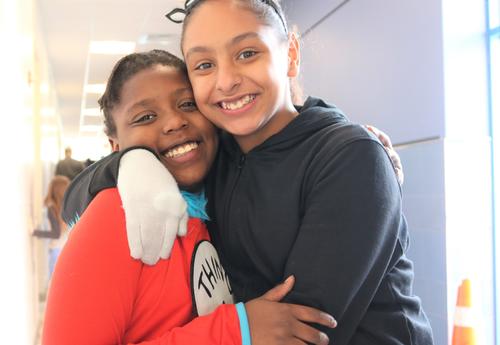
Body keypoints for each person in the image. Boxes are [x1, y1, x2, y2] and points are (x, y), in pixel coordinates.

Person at [63, 0, 433, 344]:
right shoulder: (216, 154)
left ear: (290, 53)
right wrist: (132, 164)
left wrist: (236, 328)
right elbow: (73, 202)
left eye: (247, 53)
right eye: (204, 65)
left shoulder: (346, 159)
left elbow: (301, 331)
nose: (226, 81)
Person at [43, 49, 337, 345]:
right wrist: (236, 331)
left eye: (188, 104)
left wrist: (342, 134)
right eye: (145, 117)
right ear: (114, 144)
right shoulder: (116, 214)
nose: (175, 122)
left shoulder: (220, 196)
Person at [33, 175, 71, 279]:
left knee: (55, 283)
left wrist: (35, 232)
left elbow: (55, 234)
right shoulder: (67, 207)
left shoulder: (52, 208)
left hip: (56, 250)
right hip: (67, 249)